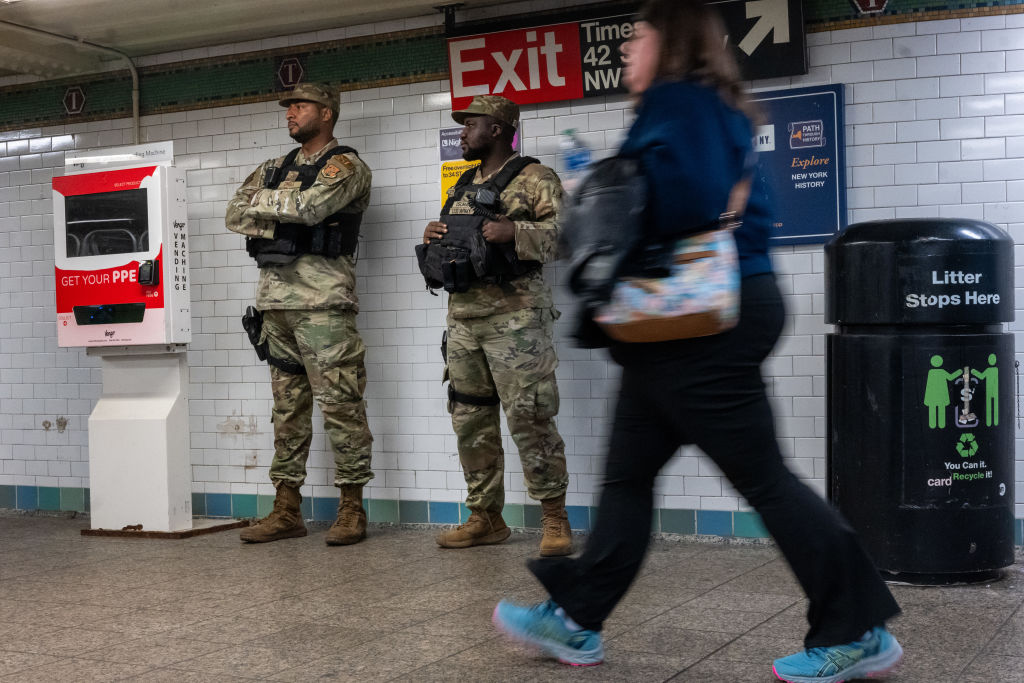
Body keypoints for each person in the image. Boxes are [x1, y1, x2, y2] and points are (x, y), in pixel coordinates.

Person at [492, 2, 905, 681]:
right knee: (627, 476)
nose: (627, 51)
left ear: (670, 41)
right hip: (681, 324)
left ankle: (855, 628)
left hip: (703, 324)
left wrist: (600, 190)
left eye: (637, 38)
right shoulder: (703, 104)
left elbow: (686, 196)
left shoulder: (679, 99)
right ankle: (576, 620)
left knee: (764, 479)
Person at [420, 95, 573, 556]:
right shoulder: (464, 183)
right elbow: (460, 240)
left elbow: (568, 237)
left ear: (500, 129)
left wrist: (518, 233)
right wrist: (434, 237)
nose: (463, 132)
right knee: (470, 420)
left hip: (516, 319)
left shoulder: (536, 178)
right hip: (464, 317)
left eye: (472, 124)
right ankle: (486, 518)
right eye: (463, 125)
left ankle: (554, 518)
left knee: (529, 415)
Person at [226, 82, 374, 546]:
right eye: (288, 106)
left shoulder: (347, 166)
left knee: (341, 407)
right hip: (275, 305)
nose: (290, 113)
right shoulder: (274, 167)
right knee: (287, 411)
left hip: (323, 305)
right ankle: (286, 508)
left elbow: (312, 209)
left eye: (300, 105)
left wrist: (267, 208)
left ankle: (352, 508)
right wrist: (283, 211)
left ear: (326, 113)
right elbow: (233, 213)